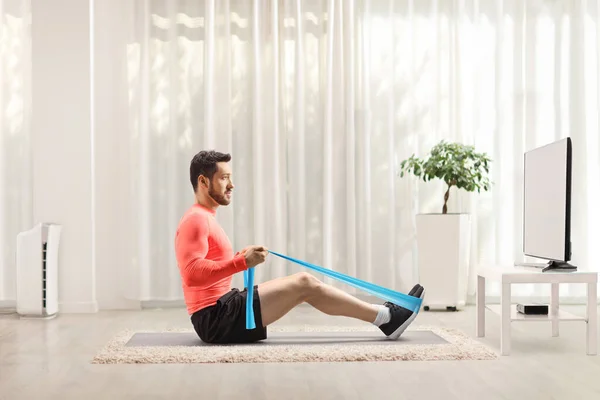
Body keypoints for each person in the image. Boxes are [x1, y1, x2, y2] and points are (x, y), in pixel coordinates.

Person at [174, 150, 425, 344]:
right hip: (215, 319)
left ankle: (386, 317)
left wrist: (240, 257)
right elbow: (191, 273)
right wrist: (241, 262)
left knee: (305, 283)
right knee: (304, 284)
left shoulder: (203, 216)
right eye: (224, 178)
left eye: (231, 177)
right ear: (203, 181)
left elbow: (206, 265)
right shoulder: (196, 219)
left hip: (222, 308)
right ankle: (387, 318)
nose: (232, 184)